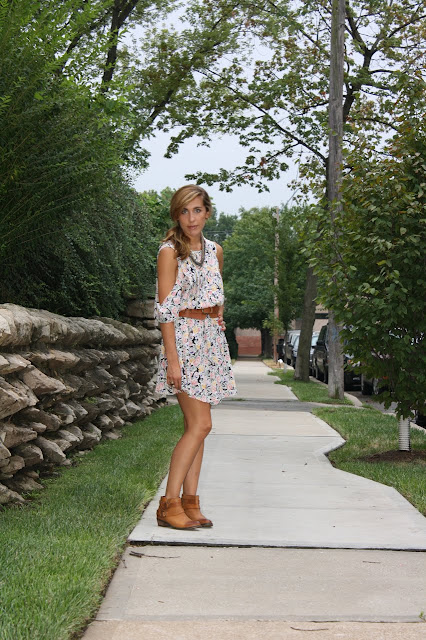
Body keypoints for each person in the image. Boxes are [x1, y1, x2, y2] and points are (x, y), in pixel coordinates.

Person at [155, 184, 237, 530]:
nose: (191, 218)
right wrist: (172, 360)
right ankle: (169, 504)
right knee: (202, 424)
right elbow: (165, 311)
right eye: (184, 211)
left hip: (210, 342)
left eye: (198, 210)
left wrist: (217, 315)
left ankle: (191, 503)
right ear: (177, 215)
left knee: (196, 428)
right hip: (183, 342)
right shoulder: (169, 252)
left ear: (208, 212)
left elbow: (215, 292)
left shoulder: (215, 250)